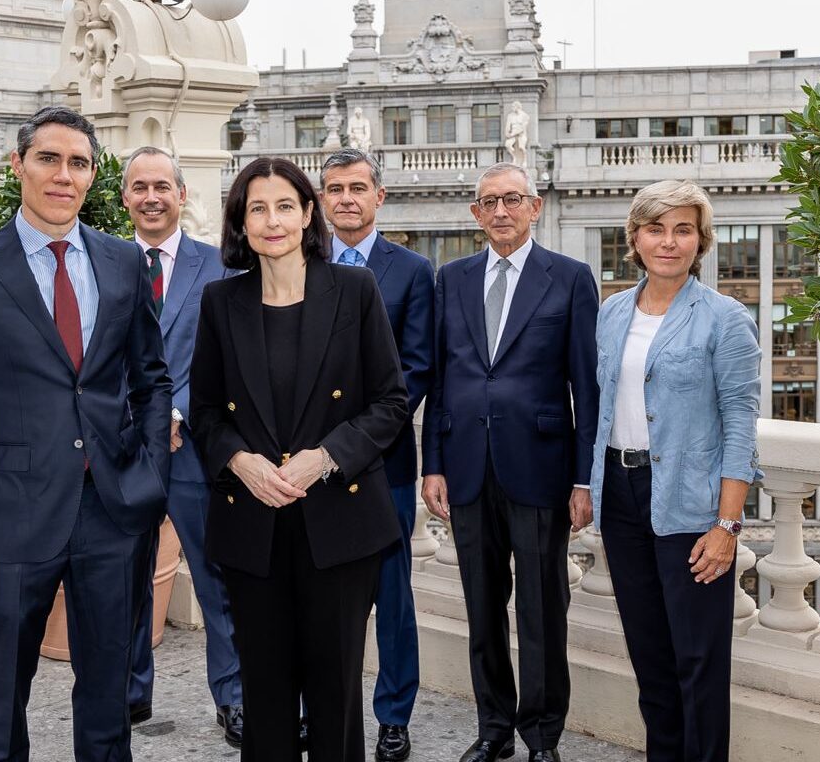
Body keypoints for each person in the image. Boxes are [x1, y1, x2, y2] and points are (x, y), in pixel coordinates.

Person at [0, 105, 172, 762]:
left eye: (79, 163)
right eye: (49, 159)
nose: (64, 175)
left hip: (112, 512)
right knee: (2, 697)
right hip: (9, 516)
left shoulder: (125, 262)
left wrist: (151, 475)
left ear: (93, 175)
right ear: (19, 166)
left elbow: (152, 380)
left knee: (109, 696)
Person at [190, 156, 410, 762]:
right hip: (252, 524)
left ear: (308, 214)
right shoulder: (220, 301)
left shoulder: (355, 291)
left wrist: (327, 456)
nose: (273, 221)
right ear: (241, 222)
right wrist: (241, 461)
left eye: (285, 206)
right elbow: (204, 412)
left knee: (336, 693)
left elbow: (391, 401)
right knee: (264, 696)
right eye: (257, 208)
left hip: (338, 521)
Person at [421, 162, 599, 762]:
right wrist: (433, 464)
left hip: (542, 468)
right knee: (481, 604)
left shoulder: (569, 278)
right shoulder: (452, 279)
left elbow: (587, 387)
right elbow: (440, 380)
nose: (501, 211)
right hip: (467, 467)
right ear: (476, 213)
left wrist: (583, 479)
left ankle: (542, 736)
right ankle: (493, 727)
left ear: (535, 206)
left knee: (542, 608)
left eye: (513, 199)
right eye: (489, 202)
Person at [587, 180, 759, 762]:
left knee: (699, 661)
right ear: (635, 238)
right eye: (655, 229)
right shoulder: (612, 312)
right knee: (651, 658)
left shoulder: (724, 318)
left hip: (691, 504)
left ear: (700, 241)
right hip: (621, 498)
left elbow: (740, 425)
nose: (668, 241)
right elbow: (603, 408)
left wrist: (727, 526)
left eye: (683, 229)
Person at [120, 146, 242, 743]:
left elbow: (225, 357)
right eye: (140, 187)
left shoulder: (218, 267)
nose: (151, 198)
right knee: (125, 576)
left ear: (182, 194)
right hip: (125, 451)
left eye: (162, 186)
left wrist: (173, 410)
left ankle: (234, 697)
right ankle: (127, 693)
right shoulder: (104, 264)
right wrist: (141, 417)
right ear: (125, 197)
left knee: (216, 576)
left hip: (195, 449)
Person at [319, 148, 435, 762]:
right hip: (308, 466)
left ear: (378, 196)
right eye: (335, 188)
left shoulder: (412, 272)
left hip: (382, 462)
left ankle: (394, 716)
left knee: (392, 598)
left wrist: (351, 438)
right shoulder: (300, 262)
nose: (346, 199)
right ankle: (321, 709)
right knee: (318, 596)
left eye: (357, 188)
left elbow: (416, 369)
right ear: (322, 199)